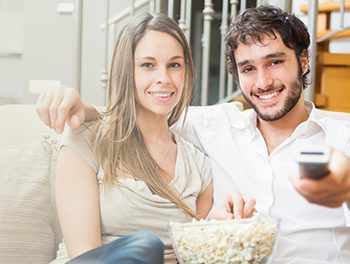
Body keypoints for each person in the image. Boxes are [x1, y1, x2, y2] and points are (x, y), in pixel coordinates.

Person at [37, 6, 350, 263]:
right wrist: (85, 108)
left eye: (275, 62)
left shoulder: (342, 137)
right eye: (248, 69)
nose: (264, 81)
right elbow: (143, 112)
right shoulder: (215, 127)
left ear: (304, 61)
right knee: (144, 248)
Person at [38, 12, 256, 264]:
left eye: (174, 65)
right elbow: (84, 255)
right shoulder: (87, 138)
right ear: (127, 72)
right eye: (148, 65)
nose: (163, 77)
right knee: (145, 246)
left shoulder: (199, 166)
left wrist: (212, 229)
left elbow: (192, 256)